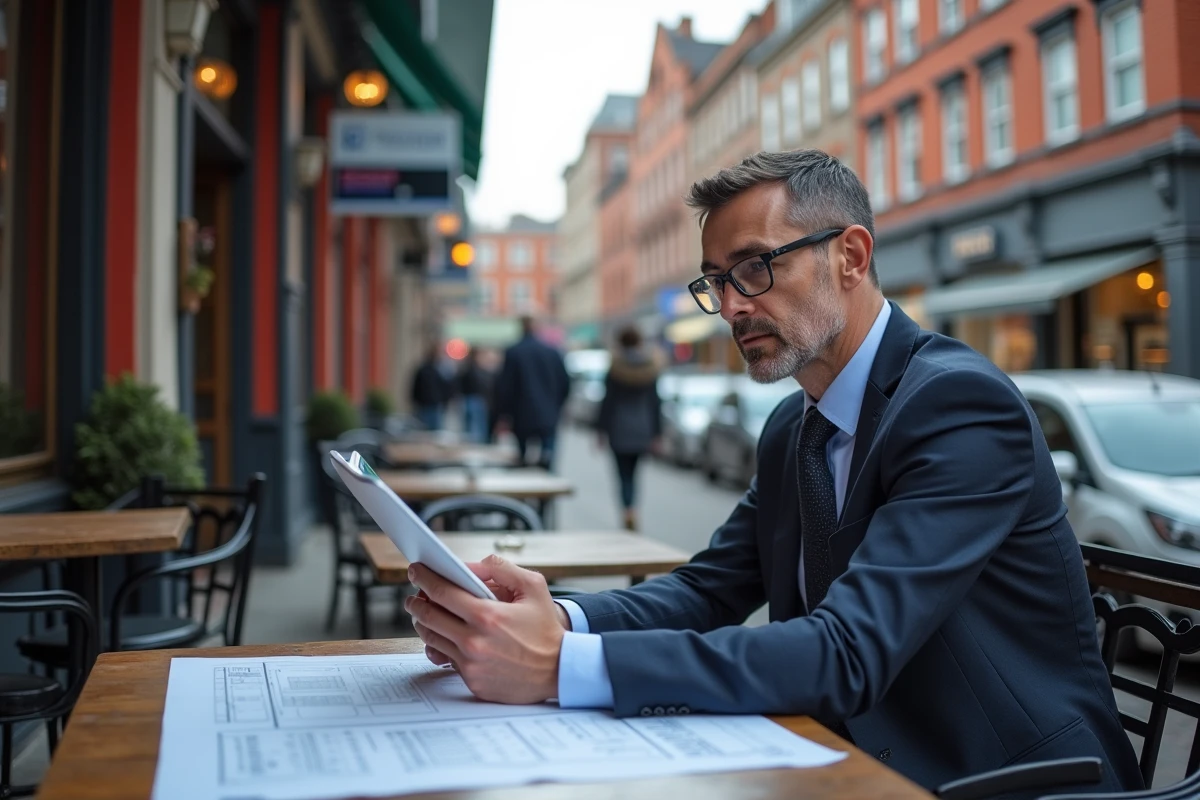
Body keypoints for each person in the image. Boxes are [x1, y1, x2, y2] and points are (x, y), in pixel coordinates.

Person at [403, 151, 1143, 795]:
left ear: (850, 256)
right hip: (844, 759)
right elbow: (710, 588)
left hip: (1010, 780)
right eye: (715, 281)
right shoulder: (795, 425)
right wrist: (554, 619)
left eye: (755, 268)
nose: (730, 306)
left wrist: (563, 664)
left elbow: (847, 652)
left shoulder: (959, 406)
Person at [595, 326, 663, 532]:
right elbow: (655, 403)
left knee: (622, 474)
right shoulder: (650, 367)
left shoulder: (615, 368)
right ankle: (633, 509)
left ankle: (627, 509)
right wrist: (657, 433)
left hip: (618, 428)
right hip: (642, 428)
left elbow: (607, 403)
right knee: (634, 473)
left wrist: (600, 430)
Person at [492, 316, 570, 469]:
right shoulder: (552, 352)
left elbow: (505, 386)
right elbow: (565, 383)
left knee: (522, 461)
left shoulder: (513, 352)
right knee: (547, 459)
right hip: (548, 414)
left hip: (521, 413)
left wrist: (503, 413)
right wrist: (557, 406)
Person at [409, 343, 453, 431]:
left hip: (436, 404)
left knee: (435, 429)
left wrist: (445, 401)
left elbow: (448, 387)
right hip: (424, 404)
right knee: (423, 429)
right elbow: (416, 386)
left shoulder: (442, 370)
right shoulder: (424, 369)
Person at [457, 347, 493, 444]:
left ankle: (476, 441)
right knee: (474, 422)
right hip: (473, 397)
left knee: (476, 422)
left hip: (477, 398)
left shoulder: (476, 369)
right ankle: (475, 441)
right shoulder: (471, 369)